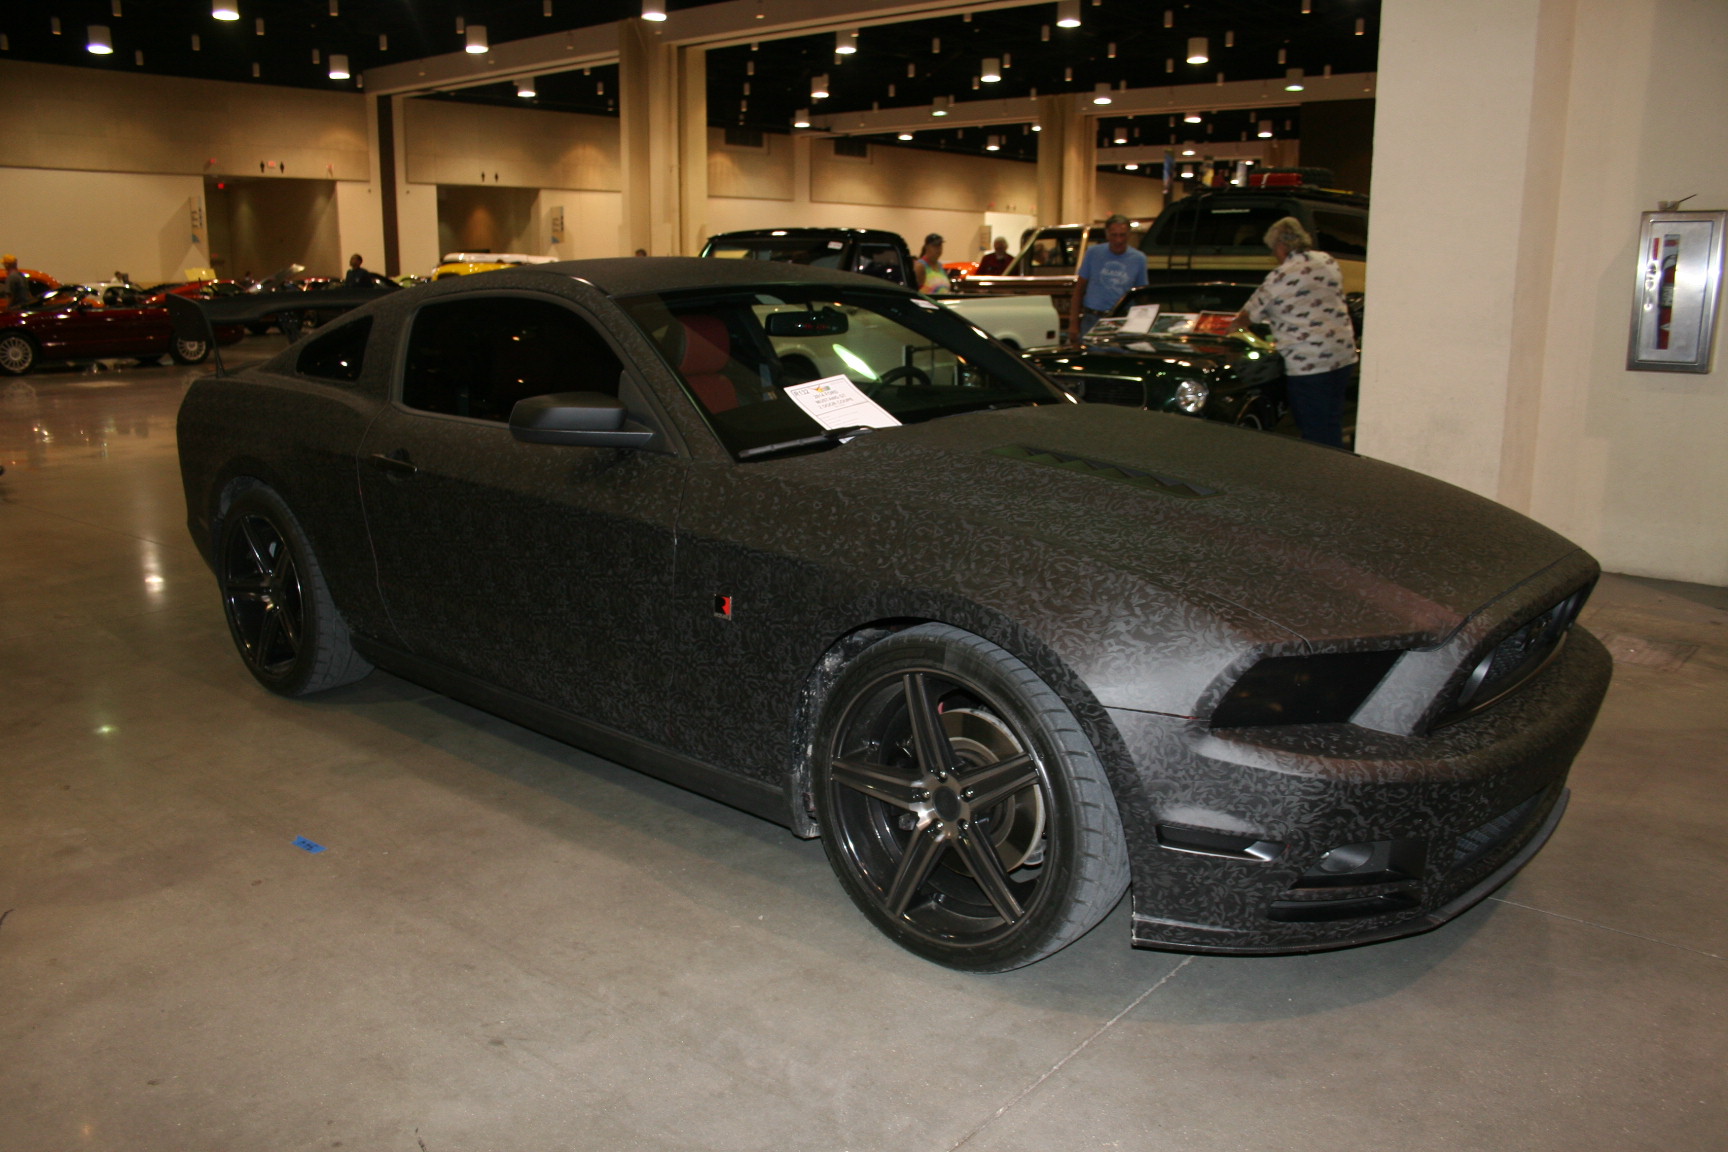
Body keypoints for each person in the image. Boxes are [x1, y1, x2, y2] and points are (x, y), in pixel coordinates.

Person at [1232, 216, 1358, 448]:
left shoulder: (1281, 276)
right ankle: (1335, 469)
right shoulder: (1327, 261)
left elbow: (1246, 316)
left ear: (1280, 246)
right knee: (1331, 421)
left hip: (1310, 363)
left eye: (1273, 250)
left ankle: (1318, 476)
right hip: (1342, 356)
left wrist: (1231, 326)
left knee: (1314, 429)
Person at [1067, 215, 1148, 342]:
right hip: (1093, 318)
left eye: (1122, 235)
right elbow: (1079, 290)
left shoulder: (1139, 259)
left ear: (1129, 235)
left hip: (1122, 319)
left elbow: (1142, 295)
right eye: (1114, 235)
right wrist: (1073, 323)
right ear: (1107, 235)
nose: (1118, 240)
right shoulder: (1093, 253)